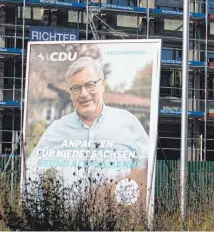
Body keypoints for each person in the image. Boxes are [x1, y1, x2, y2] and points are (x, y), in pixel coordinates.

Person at [27, 56, 149, 199]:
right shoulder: (57, 129)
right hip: (69, 219)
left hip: (119, 217)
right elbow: (31, 173)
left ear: (102, 84)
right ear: (70, 93)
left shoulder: (128, 123)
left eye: (89, 85)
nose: (84, 94)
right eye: (76, 88)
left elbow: (147, 168)